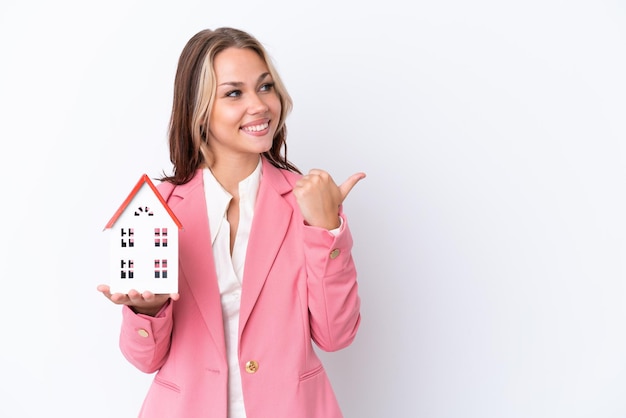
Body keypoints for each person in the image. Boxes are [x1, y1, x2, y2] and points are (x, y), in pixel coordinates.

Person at [97, 26, 365, 418]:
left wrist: (327, 231)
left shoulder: (306, 203)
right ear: (199, 109)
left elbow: (336, 335)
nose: (259, 106)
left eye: (265, 87)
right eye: (234, 93)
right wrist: (149, 311)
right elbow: (145, 360)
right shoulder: (160, 209)